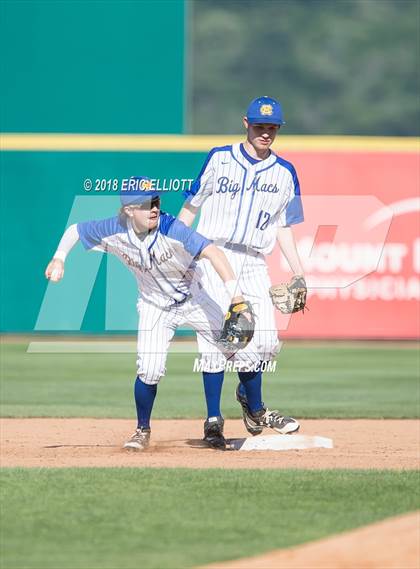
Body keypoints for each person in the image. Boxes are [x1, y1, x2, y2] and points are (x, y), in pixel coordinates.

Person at [45, 177, 255, 451]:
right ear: (129, 210)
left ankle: (256, 408)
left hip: (194, 299)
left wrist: (235, 296)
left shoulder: (172, 228)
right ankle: (142, 429)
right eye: (145, 204)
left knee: (246, 353)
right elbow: (75, 229)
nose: (154, 208)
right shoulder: (113, 228)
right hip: (155, 305)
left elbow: (213, 253)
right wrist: (59, 257)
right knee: (150, 369)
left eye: (156, 201)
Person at [178, 95, 306, 439]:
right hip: (215, 255)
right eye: (260, 126)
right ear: (246, 124)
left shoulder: (285, 172)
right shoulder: (219, 159)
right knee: (220, 340)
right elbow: (191, 207)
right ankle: (214, 420)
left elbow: (284, 227)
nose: (266, 133)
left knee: (266, 342)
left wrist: (298, 272)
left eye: (272, 128)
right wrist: (180, 251)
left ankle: (249, 401)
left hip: (254, 261)